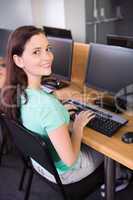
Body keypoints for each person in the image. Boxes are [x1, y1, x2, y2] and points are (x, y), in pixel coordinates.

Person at [0, 26, 103, 184]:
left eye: (48, 49)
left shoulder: (16, 92)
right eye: (36, 52)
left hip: (40, 164)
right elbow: (70, 161)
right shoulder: (48, 107)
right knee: (110, 154)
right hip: (65, 173)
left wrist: (59, 108)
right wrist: (77, 127)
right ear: (18, 60)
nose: (47, 56)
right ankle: (118, 177)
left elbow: (43, 110)